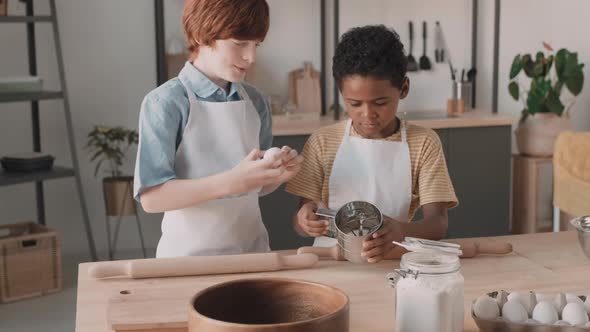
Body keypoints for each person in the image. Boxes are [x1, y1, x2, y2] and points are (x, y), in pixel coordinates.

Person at [133, 0, 302, 258]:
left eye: (256, 44)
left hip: (253, 253)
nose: (251, 57)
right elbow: (152, 198)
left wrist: (275, 176)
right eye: (239, 43)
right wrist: (231, 182)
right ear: (203, 35)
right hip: (187, 260)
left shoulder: (256, 102)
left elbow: (257, 186)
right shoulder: (165, 103)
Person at [286, 25, 458, 263]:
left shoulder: (423, 144)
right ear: (341, 93)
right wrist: (305, 221)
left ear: (404, 89)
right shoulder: (323, 142)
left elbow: (438, 224)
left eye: (380, 102)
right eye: (355, 103)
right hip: (331, 262)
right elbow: (301, 219)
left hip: (393, 260)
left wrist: (401, 230)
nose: (367, 114)